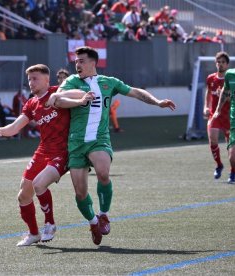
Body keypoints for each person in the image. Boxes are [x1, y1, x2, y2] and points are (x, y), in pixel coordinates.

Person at [48, 46, 176, 245]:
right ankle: (93, 223)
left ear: (93, 63)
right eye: (76, 61)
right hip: (76, 142)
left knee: (103, 173)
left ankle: (104, 214)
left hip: (99, 139)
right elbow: (57, 100)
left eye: (81, 61)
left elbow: (135, 92)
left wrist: (157, 101)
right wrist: (80, 100)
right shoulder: (70, 82)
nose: (77, 64)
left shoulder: (108, 82)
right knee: (80, 192)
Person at [0, 64, 94, 246]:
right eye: (29, 79)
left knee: (39, 184)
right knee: (23, 195)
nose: (31, 82)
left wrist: (79, 97)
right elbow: (15, 127)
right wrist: (0, 130)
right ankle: (33, 234)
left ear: (47, 79)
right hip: (42, 151)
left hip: (62, 152)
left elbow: (80, 94)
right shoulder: (31, 103)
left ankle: (50, 224)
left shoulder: (57, 92)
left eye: (35, 78)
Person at [203, 52, 233, 182]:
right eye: (218, 62)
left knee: (231, 147)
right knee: (213, 139)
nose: (220, 64)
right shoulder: (211, 78)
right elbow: (208, 92)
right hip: (214, 114)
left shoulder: (231, 79)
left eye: (223, 62)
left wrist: (225, 95)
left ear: (227, 64)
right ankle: (219, 165)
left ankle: (233, 172)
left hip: (229, 116)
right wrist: (206, 106)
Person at [213, 67, 235, 184]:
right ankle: (233, 171)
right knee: (232, 157)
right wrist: (218, 109)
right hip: (234, 122)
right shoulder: (230, 75)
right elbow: (225, 91)